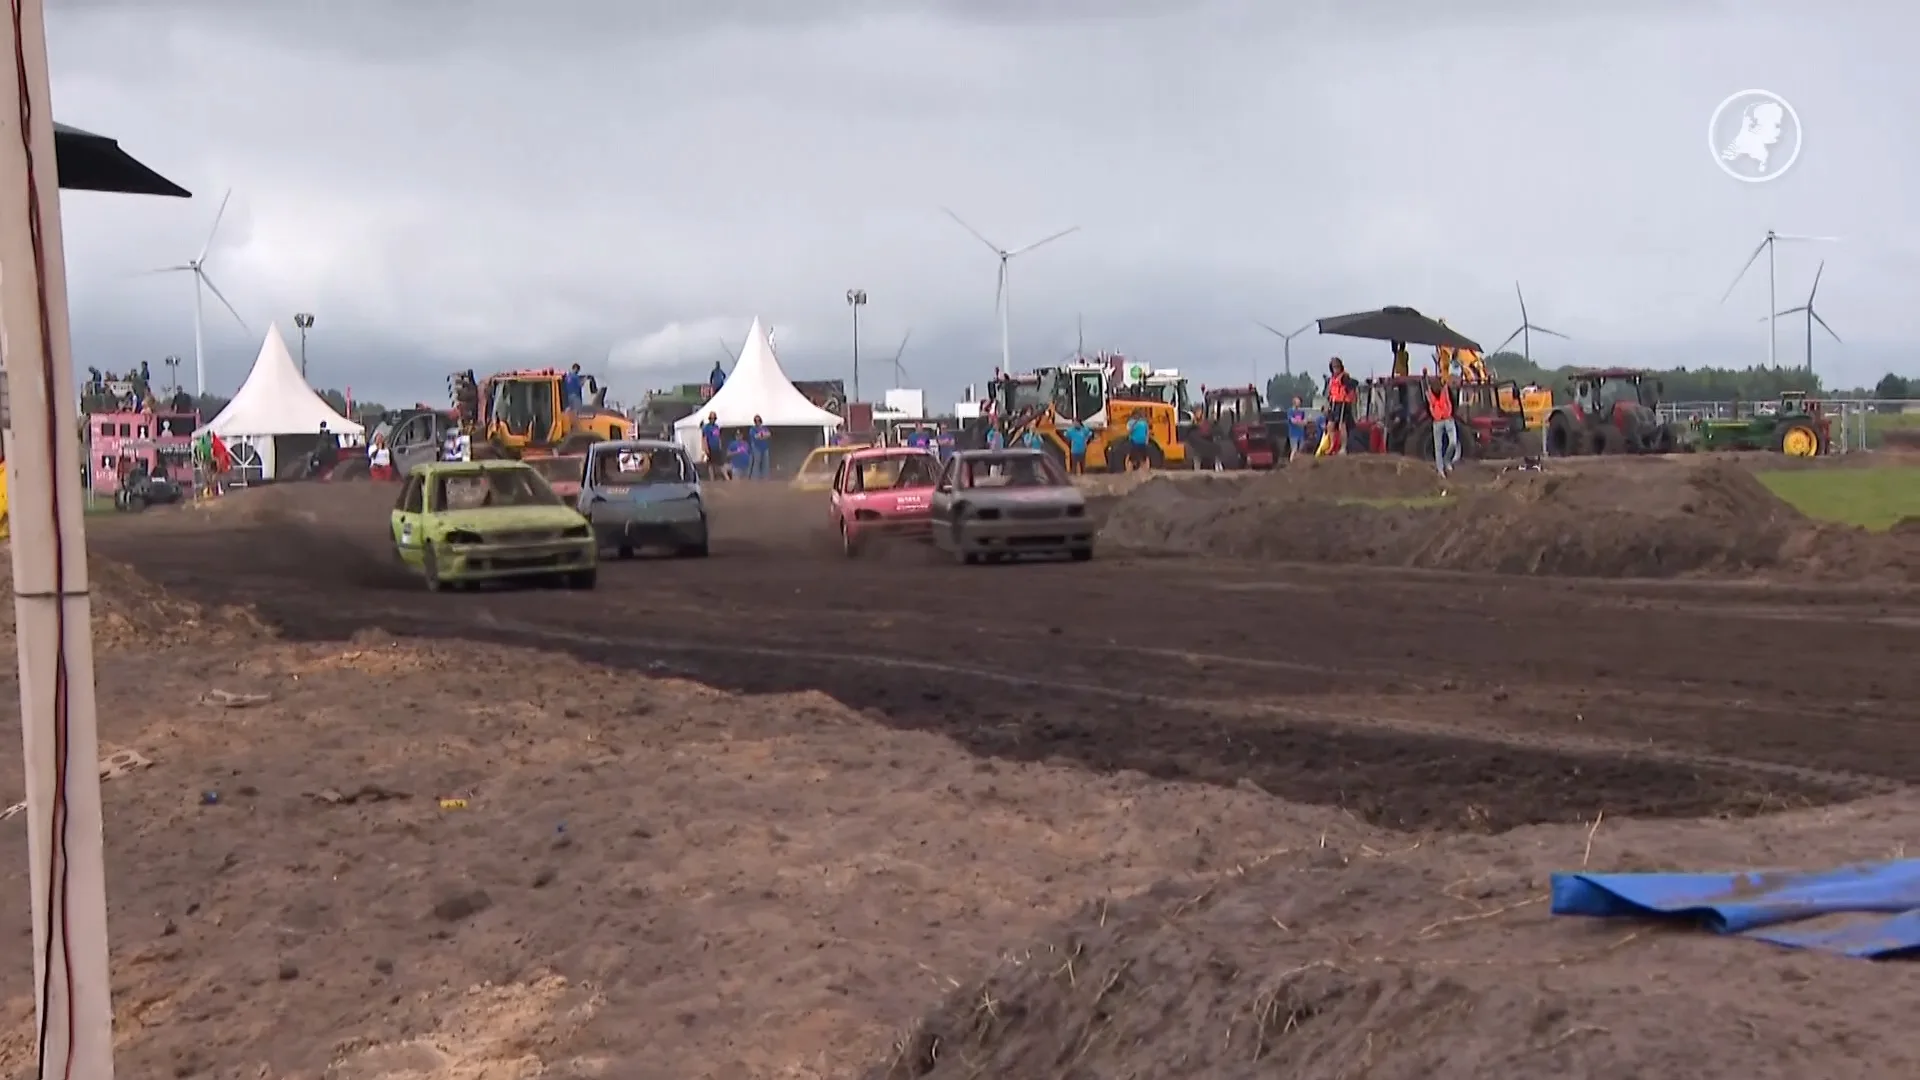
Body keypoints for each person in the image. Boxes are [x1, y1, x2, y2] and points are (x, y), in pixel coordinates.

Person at [1426, 376, 1460, 482]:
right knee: (1438, 448)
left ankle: (1447, 460)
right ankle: (1440, 470)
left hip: (1448, 419)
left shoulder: (1446, 390)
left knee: (1453, 442)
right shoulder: (1428, 394)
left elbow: (1453, 402)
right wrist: (1433, 417)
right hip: (1437, 422)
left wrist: (1451, 414)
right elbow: (1427, 406)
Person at [1323, 358, 1357, 455]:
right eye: (1334, 367)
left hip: (1343, 404)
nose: (1335, 369)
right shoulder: (1331, 379)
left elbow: (1352, 389)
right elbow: (1329, 393)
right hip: (1334, 403)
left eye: (1337, 367)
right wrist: (1327, 405)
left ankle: (1343, 448)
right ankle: (1332, 445)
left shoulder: (1345, 378)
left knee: (1342, 426)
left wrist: (1351, 401)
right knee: (1330, 426)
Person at [699, 411, 725, 480]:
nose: (712, 419)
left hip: (717, 448)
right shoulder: (706, 427)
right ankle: (712, 479)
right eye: (711, 418)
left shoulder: (717, 427)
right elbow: (704, 438)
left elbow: (718, 437)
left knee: (720, 464)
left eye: (714, 418)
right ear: (709, 418)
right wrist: (706, 448)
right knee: (711, 465)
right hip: (710, 447)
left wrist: (720, 445)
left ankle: (726, 478)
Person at [1286, 396, 1309, 461]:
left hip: (1301, 433)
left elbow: (1305, 422)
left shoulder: (1302, 412)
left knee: (1301, 449)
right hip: (1293, 434)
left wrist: (1300, 422)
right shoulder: (1290, 411)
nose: (1298, 403)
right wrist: (1301, 422)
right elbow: (1293, 421)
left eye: (1299, 401)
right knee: (1294, 449)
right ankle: (1291, 462)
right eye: (1297, 401)